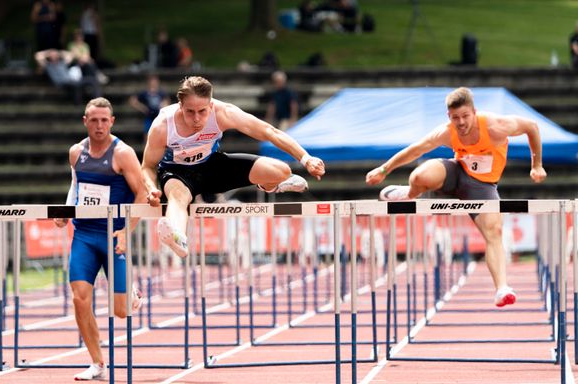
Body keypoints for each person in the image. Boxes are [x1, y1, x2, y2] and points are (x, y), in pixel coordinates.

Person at [365, 87, 547, 308]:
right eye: (455, 118)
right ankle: (409, 194)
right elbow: (416, 149)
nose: (460, 123)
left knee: (494, 231)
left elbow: (532, 127)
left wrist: (536, 165)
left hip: (482, 185)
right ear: (448, 117)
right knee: (421, 174)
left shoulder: (495, 126)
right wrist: (384, 170)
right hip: (455, 172)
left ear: (474, 112)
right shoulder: (446, 131)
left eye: (465, 116)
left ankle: (502, 288)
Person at [142, 76, 325, 258]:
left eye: (202, 111)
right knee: (178, 197)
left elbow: (269, 131)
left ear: (211, 106)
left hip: (212, 166)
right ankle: (178, 236)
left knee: (282, 170)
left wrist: (306, 158)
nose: (196, 118)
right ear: (180, 106)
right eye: (190, 111)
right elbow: (148, 166)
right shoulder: (163, 125)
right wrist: (151, 189)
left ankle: (270, 185)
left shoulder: (224, 113)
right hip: (177, 172)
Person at [54, 97, 147, 381]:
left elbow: (141, 195)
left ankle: (130, 291)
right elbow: (75, 186)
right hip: (84, 235)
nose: (99, 125)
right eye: (94, 120)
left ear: (112, 122)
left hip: (113, 234)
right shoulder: (76, 152)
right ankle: (97, 363)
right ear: (85, 121)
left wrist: (125, 232)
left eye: (104, 120)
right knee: (80, 299)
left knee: (120, 312)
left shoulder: (123, 154)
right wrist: (66, 212)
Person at [34, 48, 101, 104]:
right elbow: (37, 56)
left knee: (92, 80)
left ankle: (97, 101)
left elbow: (70, 54)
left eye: (55, 55)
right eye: (52, 55)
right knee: (76, 85)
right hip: (62, 83)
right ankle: (78, 103)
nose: (54, 56)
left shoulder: (62, 63)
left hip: (71, 80)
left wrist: (58, 53)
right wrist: (48, 52)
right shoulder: (48, 65)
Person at [128, 74, 170, 138]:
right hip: (149, 116)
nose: (153, 83)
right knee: (147, 134)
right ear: (148, 82)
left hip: (159, 116)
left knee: (162, 133)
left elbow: (167, 101)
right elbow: (133, 100)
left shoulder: (161, 93)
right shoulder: (144, 93)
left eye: (155, 81)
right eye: (152, 81)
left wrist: (163, 106)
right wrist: (142, 108)